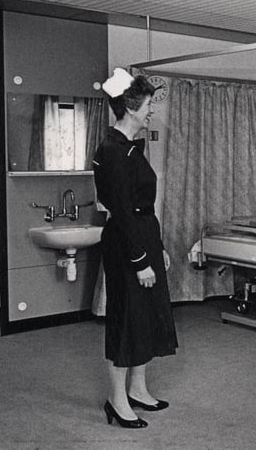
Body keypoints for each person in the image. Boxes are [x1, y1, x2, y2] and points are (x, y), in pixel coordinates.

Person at [93, 69, 177, 429]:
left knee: (145, 316)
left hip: (143, 237)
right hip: (127, 243)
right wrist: (141, 260)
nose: (151, 113)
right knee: (125, 319)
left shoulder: (128, 148)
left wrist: (157, 248)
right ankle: (117, 399)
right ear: (130, 108)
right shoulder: (111, 152)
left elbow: (143, 207)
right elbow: (124, 213)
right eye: (147, 106)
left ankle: (139, 389)